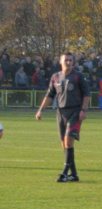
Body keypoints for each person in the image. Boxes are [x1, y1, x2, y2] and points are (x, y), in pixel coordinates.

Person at [35, 52, 91, 183]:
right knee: (64, 145)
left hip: (75, 112)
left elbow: (87, 94)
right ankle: (74, 174)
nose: (68, 62)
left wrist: (83, 110)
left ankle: (65, 173)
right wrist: (41, 111)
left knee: (68, 141)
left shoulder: (78, 76)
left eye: (71, 60)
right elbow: (49, 95)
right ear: (60, 61)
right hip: (60, 113)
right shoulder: (55, 77)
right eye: (66, 60)